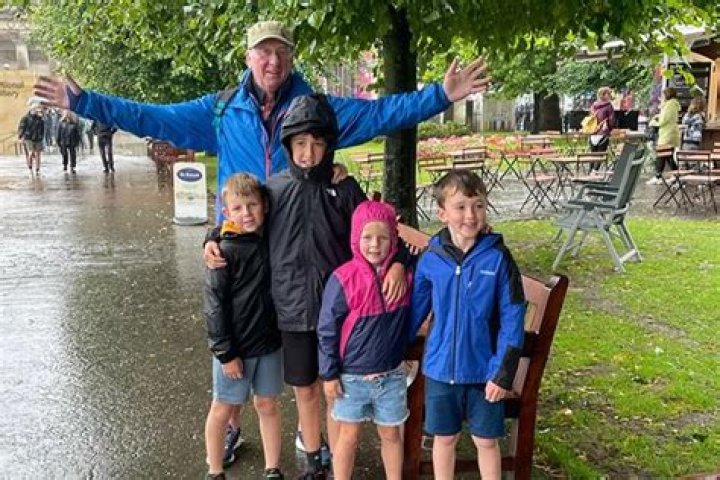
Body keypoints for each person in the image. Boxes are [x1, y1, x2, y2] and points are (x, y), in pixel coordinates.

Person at [32, 19, 489, 224]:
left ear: (291, 57)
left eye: (281, 52)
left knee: (300, 356)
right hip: (240, 236)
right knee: (236, 356)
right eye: (264, 52)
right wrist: (87, 103)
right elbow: (151, 116)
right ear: (248, 57)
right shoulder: (221, 110)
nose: (273, 61)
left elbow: (382, 113)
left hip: (296, 238)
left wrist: (440, 95)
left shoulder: (317, 111)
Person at [408, 169, 526, 480]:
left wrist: (502, 373)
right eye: (460, 207)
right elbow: (413, 311)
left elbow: (513, 317)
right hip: (439, 369)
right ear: (442, 213)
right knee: (444, 439)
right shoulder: (431, 257)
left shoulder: (499, 258)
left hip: (484, 372)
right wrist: (392, 351)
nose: (470, 216)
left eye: (478, 206)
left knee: (486, 441)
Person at [317, 200, 411, 480]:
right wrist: (329, 374)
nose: (374, 245)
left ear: (393, 240)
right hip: (351, 378)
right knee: (348, 436)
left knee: (391, 434)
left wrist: (399, 263)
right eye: (367, 237)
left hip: (391, 375)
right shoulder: (343, 278)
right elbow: (327, 330)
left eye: (383, 238)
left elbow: (427, 255)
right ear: (355, 237)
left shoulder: (405, 276)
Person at [203, 173, 284, 480]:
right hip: (235, 348)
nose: (246, 213)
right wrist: (225, 353)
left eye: (252, 205)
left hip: (269, 343)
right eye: (237, 208)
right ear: (227, 213)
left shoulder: (271, 238)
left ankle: (272, 468)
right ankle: (215, 470)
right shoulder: (223, 252)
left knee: (267, 404)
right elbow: (214, 306)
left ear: (264, 206)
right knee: (223, 407)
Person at [646, 87, 681, 185]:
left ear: (667, 95)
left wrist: (654, 122)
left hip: (667, 134)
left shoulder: (669, 105)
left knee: (661, 154)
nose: (661, 97)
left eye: (662, 95)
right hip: (670, 133)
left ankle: (658, 176)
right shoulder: (672, 104)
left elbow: (663, 120)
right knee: (668, 156)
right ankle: (675, 176)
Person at [588, 86, 615, 170]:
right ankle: (595, 171)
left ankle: (590, 171)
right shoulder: (608, 106)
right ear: (603, 94)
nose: (610, 95)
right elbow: (611, 120)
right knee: (600, 155)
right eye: (608, 93)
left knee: (593, 154)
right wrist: (610, 128)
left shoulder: (593, 105)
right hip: (603, 132)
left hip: (593, 132)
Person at [17, 106, 45, 175]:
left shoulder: (40, 118)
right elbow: (21, 127)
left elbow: (42, 128)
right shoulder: (25, 118)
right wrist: (20, 136)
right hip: (28, 138)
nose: (35, 111)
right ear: (30, 110)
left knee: (38, 153)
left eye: (36, 109)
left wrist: (41, 136)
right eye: (33, 109)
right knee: (30, 152)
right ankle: (30, 167)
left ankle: (37, 169)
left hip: (38, 138)